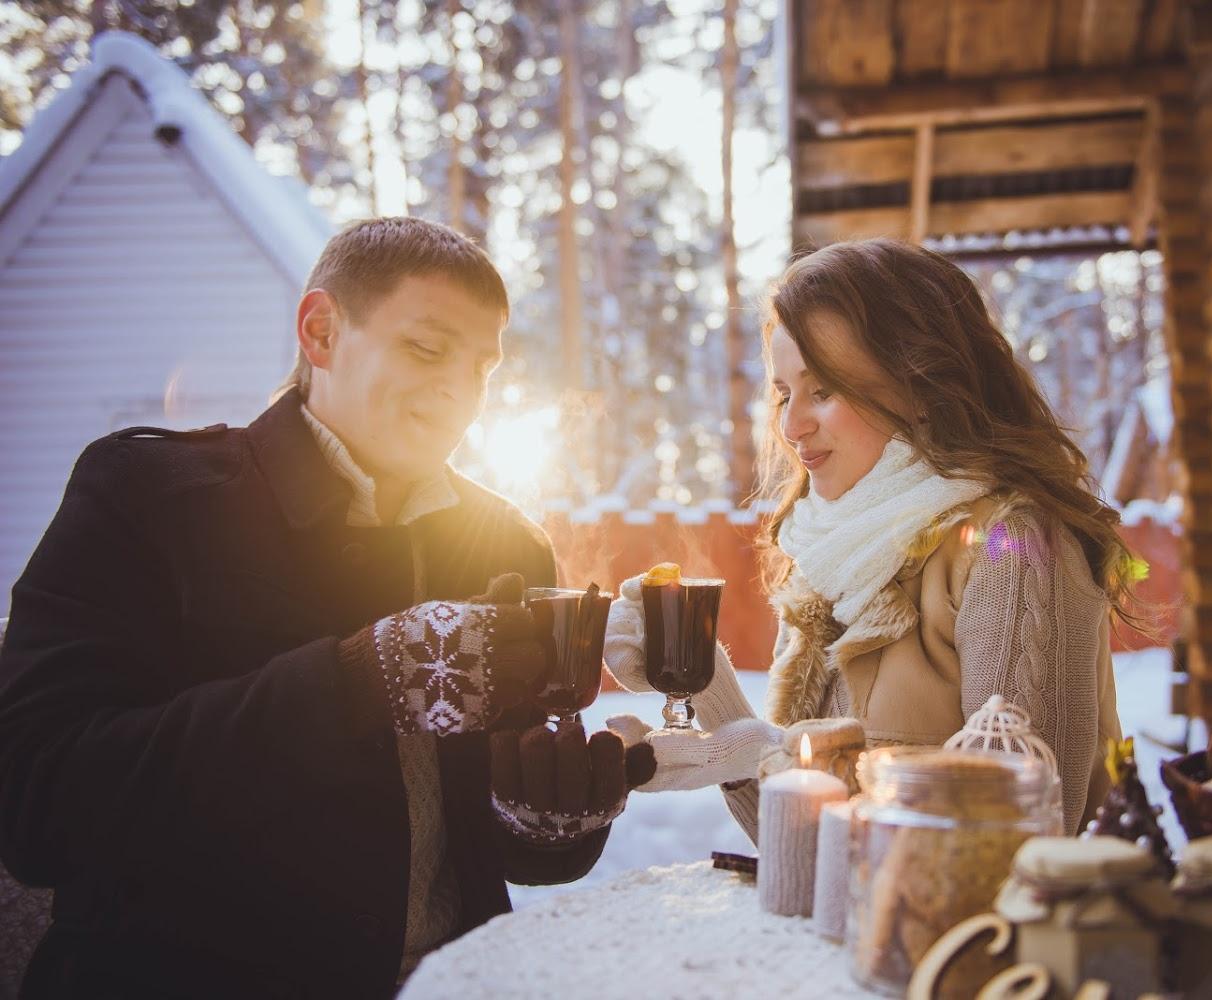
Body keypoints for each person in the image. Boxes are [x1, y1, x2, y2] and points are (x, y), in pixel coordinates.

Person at [0, 217, 642, 998]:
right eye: (426, 349)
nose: (458, 391)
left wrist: (547, 816)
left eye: (481, 368)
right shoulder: (146, 499)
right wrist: (354, 683)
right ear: (321, 331)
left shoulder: (504, 543)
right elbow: (36, 805)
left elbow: (493, 850)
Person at [606, 238, 1127, 838]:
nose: (792, 425)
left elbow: (1020, 840)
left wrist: (765, 750)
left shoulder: (1015, 546)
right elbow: (797, 851)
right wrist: (705, 689)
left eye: (823, 389)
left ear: (919, 384)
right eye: (783, 394)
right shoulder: (832, 556)